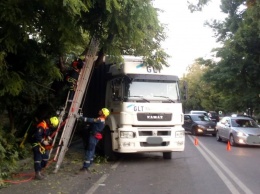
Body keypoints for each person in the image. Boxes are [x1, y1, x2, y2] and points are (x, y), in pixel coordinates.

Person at [75, 108, 110, 173]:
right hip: (95, 136)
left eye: (101, 111)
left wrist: (80, 117)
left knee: (89, 150)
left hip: (93, 136)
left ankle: (85, 167)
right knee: (92, 150)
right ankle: (88, 165)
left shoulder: (99, 119)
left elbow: (90, 120)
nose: (99, 111)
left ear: (103, 114)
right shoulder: (102, 120)